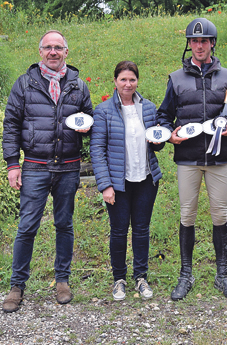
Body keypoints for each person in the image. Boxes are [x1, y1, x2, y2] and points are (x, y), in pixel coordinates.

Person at [157, 17, 227, 300]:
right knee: (187, 215)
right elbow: (163, 116)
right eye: (194, 41)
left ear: (212, 43)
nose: (199, 45)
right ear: (189, 44)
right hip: (187, 158)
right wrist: (168, 134)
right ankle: (186, 274)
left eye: (204, 41)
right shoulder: (176, 78)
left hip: (219, 158)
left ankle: (222, 275)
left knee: (220, 215)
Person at [1, 30, 93, 313]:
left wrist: (87, 128)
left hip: (68, 167)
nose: (53, 52)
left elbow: (89, 119)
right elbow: (11, 125)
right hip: (35, 167)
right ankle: (17, 286)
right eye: (48, 48)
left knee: (64, 225)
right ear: (40, 51)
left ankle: (62, 280)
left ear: (67, 52)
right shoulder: (25, 84)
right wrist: (13, 164)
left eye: (58, 48)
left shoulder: (78, 85)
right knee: (27, 226)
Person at [89, 61, 164, 301]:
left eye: (132, 79)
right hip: (118, 183)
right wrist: (105, 185)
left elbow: (157, 144)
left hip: (145, 178)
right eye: (123, 79)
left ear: (137, 81)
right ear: (115, 82)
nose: (128, 84)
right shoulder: (103, 111)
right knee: (119, 231)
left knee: (142, 230)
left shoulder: (149, 108)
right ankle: (119, 279)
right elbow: (97, 150)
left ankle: (141, 278)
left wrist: (159, 140)